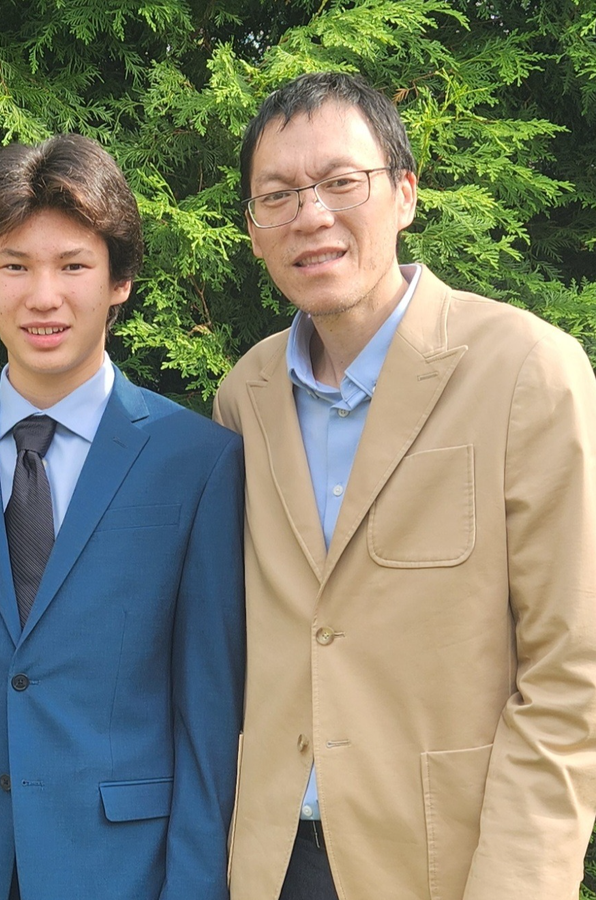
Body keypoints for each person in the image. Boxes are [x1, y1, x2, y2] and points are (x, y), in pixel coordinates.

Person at [213, 71, 596, 900]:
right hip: (268, 862)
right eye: (277, 196)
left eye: (341, 182)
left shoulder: (527, 371)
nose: (311, 215)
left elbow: (571, 675)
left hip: (442, 866)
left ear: (406, 194)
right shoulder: (245, 396)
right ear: (254, 231)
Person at [0, 133, 245, 900]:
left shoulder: (194, 461)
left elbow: (207, 715)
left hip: (117, 867)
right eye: (15, 266)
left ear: (119, 280)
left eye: (73, 266)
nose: (43, 296)